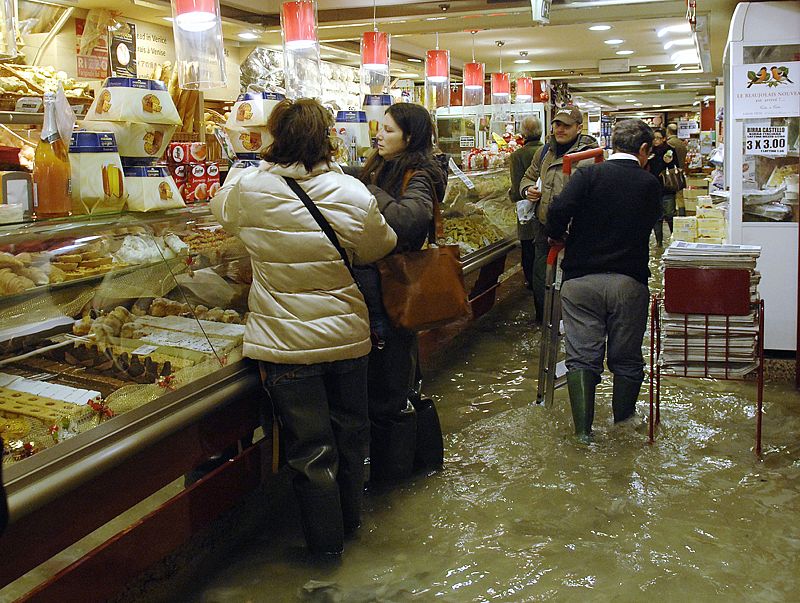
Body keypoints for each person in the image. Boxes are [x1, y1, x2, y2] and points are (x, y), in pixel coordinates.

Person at [211, 98, 397, 556]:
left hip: (285, 346)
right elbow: (381, 246)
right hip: (345, 340)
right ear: (327, 138)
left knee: (310, 449)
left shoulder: (251, 190)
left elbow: (219, 209)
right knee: (351, 434)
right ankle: (350, 525)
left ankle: (324, 550)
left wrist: (245, 168)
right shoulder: (352, 192)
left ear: (275, 137)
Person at [544, 118, 661, 442]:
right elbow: (650, 223)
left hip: (581, 281)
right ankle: (622, 426)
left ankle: (583, 434)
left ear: (613, 145)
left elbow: (557, 211)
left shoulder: (588, 175)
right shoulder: (649, 184)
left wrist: (560, 235)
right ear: (643, 150)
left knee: (581, 357)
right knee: (626, 358)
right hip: (628, 281)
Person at [355, 102, 447, 483]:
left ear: (409, 137)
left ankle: (393, 480)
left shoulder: (419, 172)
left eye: (388, 130)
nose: (379, 134)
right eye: (379, 127)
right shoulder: (379, 166)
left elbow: (410, 223)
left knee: (392, 388)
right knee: (389, 383)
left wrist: (366, 190)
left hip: (397, 287)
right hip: (377, 287)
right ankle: (398, 466)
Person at [519, 106, 598, 322]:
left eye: (566, 125)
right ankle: (544, 322)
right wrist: (527, 189)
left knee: (573, 281)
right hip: (544, 227)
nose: (560, 129)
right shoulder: (544, 152)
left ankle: (570, 323)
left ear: (579, 128)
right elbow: (527, 177)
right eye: (557, 124)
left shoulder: (591, 156)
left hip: (576, 231)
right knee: (540, 277)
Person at [508, 116, 544, 291]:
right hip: (544, 210)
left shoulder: (517, 156)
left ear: (523, 134)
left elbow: (516, 190)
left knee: (528, 249)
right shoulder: (547, 151)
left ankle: (531, 283)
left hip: (526, 211)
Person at [647, 127, 682, 246]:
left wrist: (669, 162)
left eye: (658, 138)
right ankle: (659, 242)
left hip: (667, 187)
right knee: (657, 217)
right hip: (653, 187)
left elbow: (675, 166)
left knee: (670, 214)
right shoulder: (649, 151)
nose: (656, 141)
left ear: (664, 139)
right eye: (654, 138)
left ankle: (673, 239)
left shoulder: (669, 150)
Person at [666, 123, 689, 216]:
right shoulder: (682, 143)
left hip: (671, 173)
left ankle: (671, 214)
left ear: (668, 131)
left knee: (669, 196)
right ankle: (682, 214)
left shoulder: (669, 144)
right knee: (680, 195)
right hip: (681, 171)